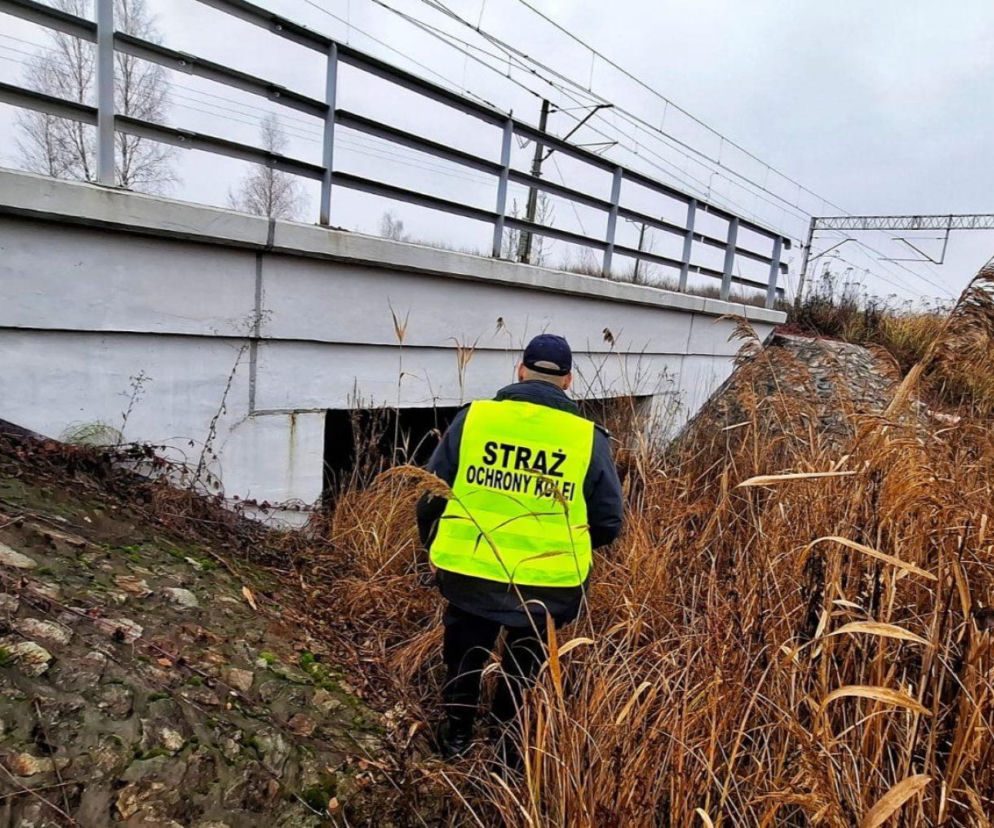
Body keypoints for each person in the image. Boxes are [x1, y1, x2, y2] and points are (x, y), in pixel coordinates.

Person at [416, 333, 624, 761]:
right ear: (567, 380)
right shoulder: (588, 438)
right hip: (548, 585)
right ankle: (506, 745)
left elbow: (431, 493)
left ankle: (457, 737)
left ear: (520, 370)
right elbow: (607, 521)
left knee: (465, 654)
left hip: (469, 571)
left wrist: (432, 545)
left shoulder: (475, 418)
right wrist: (568, 549)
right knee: (524, 664)